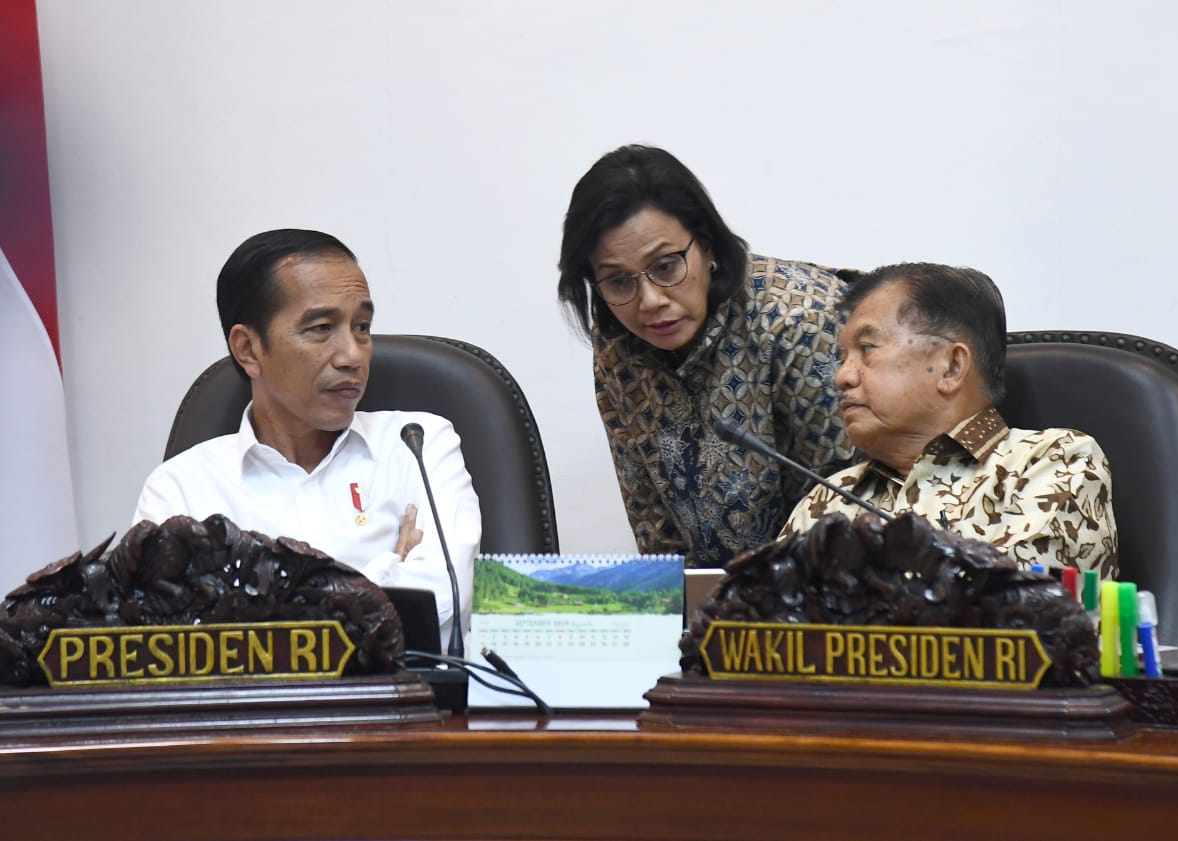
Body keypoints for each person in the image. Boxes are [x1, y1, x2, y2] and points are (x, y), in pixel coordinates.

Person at [133, 229, 482, 649]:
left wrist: (255, 614)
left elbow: (442, 599)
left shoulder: (418, 445)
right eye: (320, 328)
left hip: (405, 708)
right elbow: (175, 642)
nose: (353, 355)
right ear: (248, 349)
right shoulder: (181, 489)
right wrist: (390, 569)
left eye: (363, 327)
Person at [558, 145, 854, 568]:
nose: (650, 301)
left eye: (665, 266)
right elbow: (653, 526)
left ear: (708, 246)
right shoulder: (617, 340)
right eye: (618, 280)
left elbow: (845, 513)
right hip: (718, 605)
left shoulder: (801, 323)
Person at [781, 262, 1118, 579]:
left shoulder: (1052, 460)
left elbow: (1014, 606)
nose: (843, 376)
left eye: (867, 348)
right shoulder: (830, 497)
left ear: (952, 367)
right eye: (843, 358)